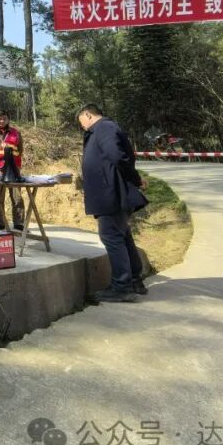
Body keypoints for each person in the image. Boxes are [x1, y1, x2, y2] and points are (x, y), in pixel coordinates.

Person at [77, 103, 149, 303]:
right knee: (122, 235)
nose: (82, 126)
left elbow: (118, 157)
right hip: (110, 192)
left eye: (81, 122)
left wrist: (135, 179)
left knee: (111, 236)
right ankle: (134, 280)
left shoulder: (104, 127)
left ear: (88, 114)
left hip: (111, 194)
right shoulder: (102, 129)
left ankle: (122, 286)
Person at [0, 109, 24, 229]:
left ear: (8, 119)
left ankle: (19, 223)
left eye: (4, 118)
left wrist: (17, 166)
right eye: (0, 118)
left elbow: (20, 150)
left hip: (13, 168)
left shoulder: (16, 132)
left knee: (17, 196)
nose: (2, 121)